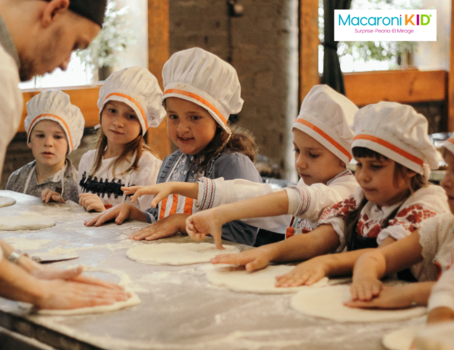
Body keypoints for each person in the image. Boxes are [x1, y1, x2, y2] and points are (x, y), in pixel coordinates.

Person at [0, 0, 129, 310]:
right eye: (75, 45)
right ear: (54, 9)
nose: (65, 63)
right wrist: (43, 293)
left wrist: (25, 265)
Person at [188, 102, 449, 285]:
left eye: (376, 167)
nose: (363, 176)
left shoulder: (426, 202)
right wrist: (270, 253)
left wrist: (325, 264)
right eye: (360, 166)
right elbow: (323, 237)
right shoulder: (364, 200)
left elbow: (384, 257)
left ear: (410, 171)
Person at [122, 85, 360, 249]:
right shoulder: (310, 180)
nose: (300, 163)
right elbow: (252, 197)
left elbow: (277, 199)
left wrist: (215, 215)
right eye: (296, 151)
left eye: (313, 154)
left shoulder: (342, 192)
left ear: (344, 157)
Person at [85, 47, 263, 246]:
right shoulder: (171, 162)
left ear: (218, 120)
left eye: (194, 117)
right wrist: (135, 213)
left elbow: (245, 234)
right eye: (173, 117)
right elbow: (159, 216)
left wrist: (182, 223)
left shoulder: (232, 164)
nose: (182, 128)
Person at [344, 137, 454, 327]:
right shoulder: (444, 227)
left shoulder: (428, 203)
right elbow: (377, 257)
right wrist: (366, 278)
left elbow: (448, 291)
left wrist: (408, 293)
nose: (445, 182)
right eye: (448, 170)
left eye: (376, 166)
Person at [43, 67, 164, 212]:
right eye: (112, 111)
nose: (118, 122)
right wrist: (62, 204)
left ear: (143, 125)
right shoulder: (89, 160)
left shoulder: (147, 166)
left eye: (130, 116)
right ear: (101, 111)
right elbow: (84, 208)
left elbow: (152, 221)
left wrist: (105, 212)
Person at [6, 90, 83, 203]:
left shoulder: (77, 185)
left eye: (57, 137)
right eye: (40, 135)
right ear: (29, 141)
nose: (48, 143)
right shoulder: (16, 179)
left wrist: (65, 209)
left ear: (70, 144)